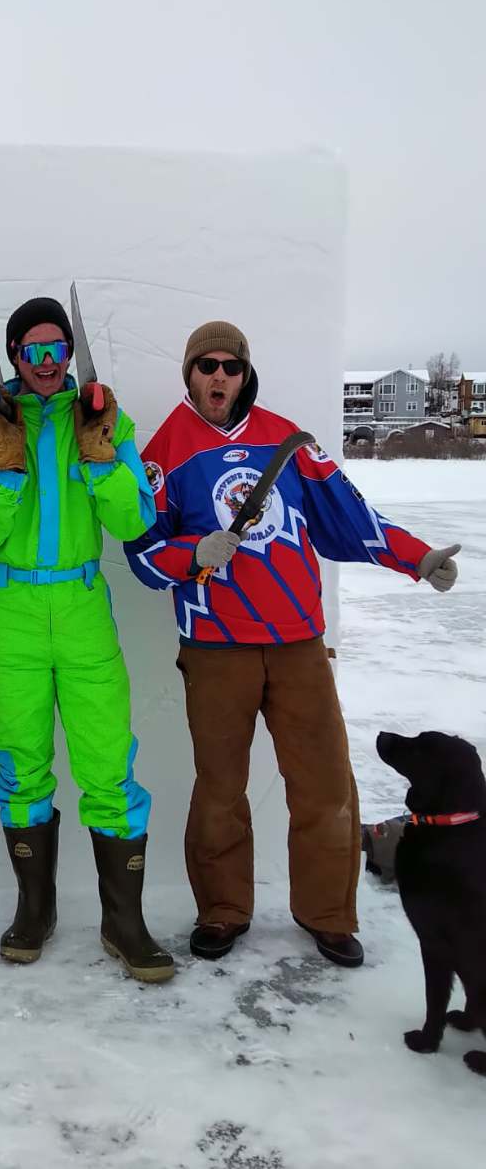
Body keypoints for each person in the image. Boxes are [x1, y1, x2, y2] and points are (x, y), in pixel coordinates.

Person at [125, 321, 460, 967]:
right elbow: (141, 557)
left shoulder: (289, 441)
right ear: (190, 375)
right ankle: (223, 910)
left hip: (298, 646)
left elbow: (350, 518)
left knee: (325, 783)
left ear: (245, 374)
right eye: (205, 366)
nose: (218, 376)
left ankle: (328, 914)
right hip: (215, 649)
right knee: (221, 789)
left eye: (229, 365)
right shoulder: (164, 452)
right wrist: (191, 551)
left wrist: (416, 558)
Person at [0, 296, 174, 982]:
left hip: (81, 609)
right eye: (32, 351)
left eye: (57, 350)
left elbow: (135, 520)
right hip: (9, 610)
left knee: (107, 761)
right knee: (21, 764)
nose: (46, 364)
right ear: (14, 356)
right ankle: (34, 909)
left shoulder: (104, 416)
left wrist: (103, 455)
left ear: (71, 355)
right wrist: (7, 468)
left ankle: (124, 922)